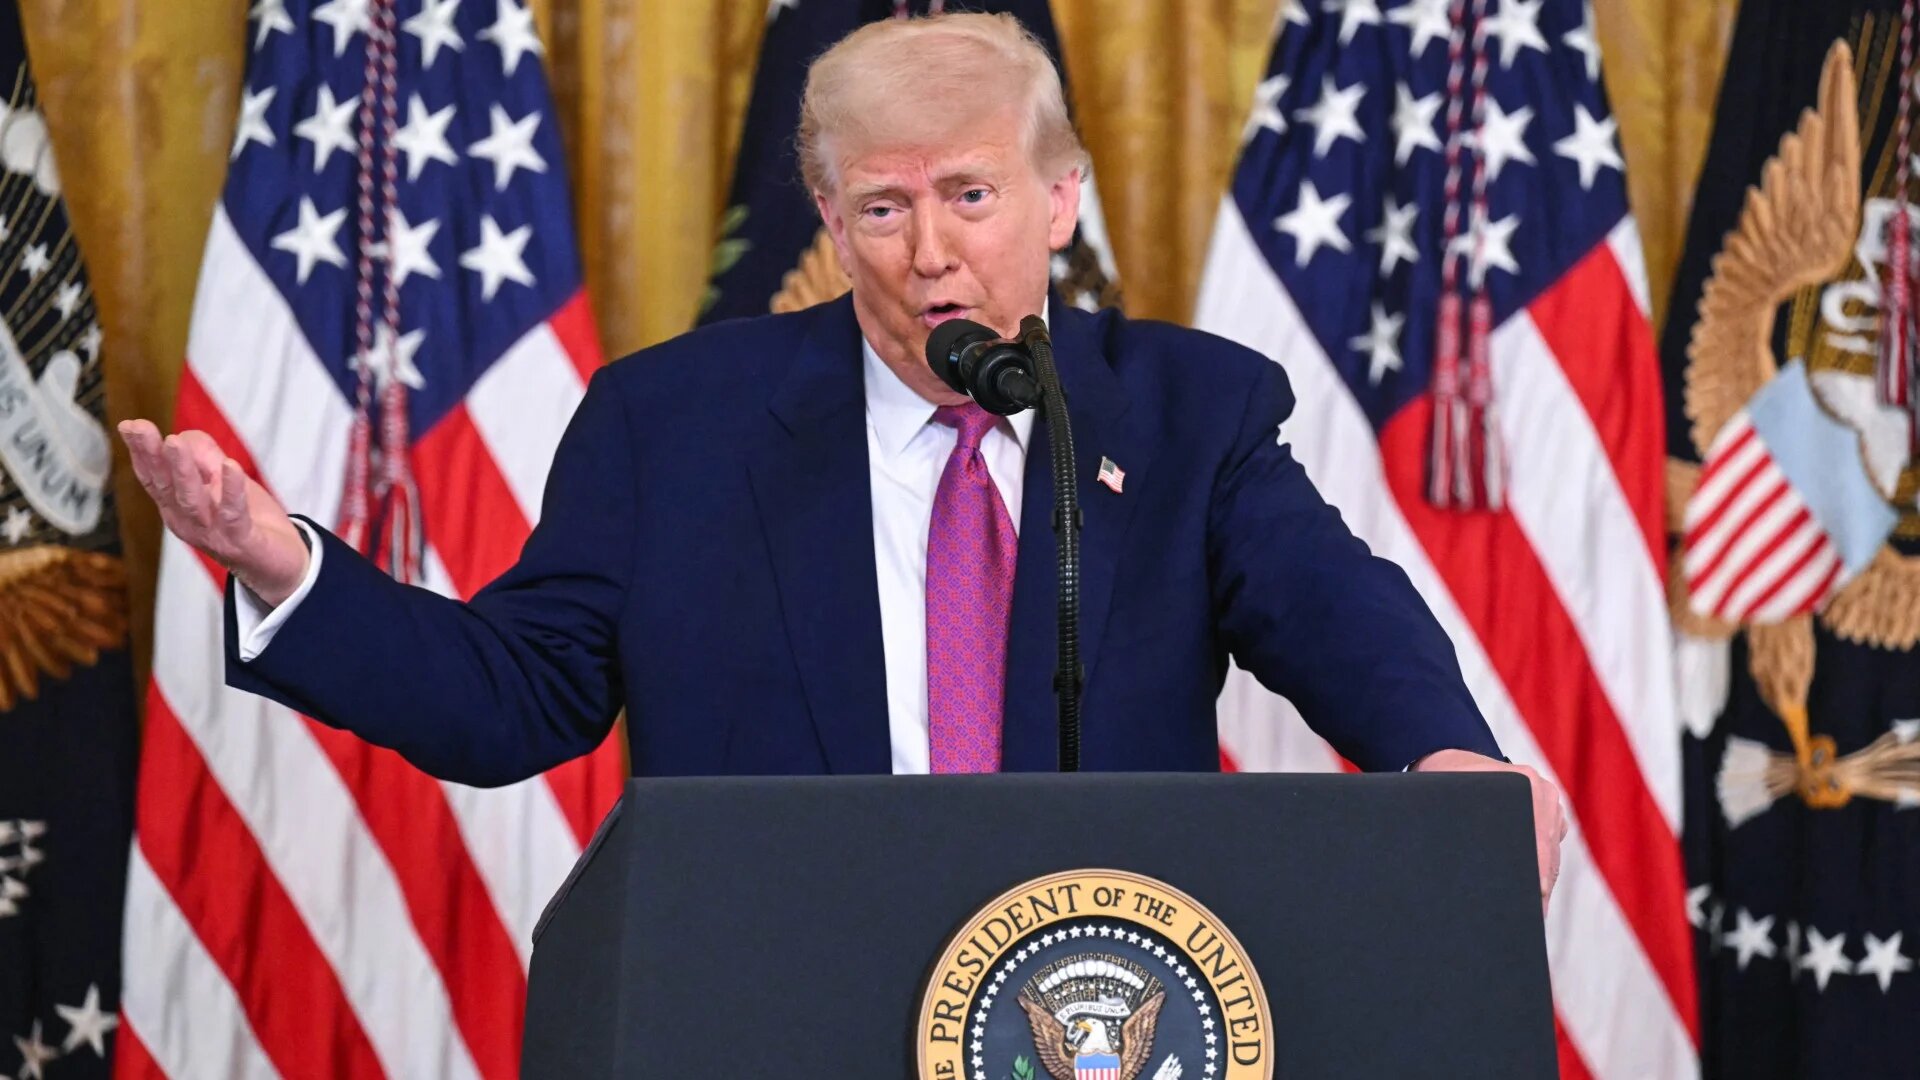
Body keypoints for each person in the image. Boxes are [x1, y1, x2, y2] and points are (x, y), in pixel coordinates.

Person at [119, 13, 1566, 904]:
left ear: (1063, 199)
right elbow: (516, 701)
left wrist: (1443, 752)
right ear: (822, 207)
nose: (930, 252)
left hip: (1098, 1003)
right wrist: (284, 565)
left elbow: (1331, 603)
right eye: (881, 207)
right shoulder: (668, 424)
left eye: (971, 195)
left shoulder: (1185, 413)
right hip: (779, 1003)